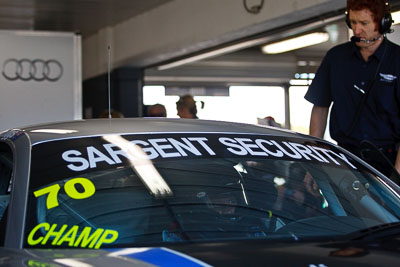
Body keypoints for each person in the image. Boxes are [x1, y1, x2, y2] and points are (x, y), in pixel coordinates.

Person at [304, 0, 400, 180]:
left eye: (364, 23)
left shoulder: (397, 60)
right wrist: (313, 160)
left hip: (388, 161)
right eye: (353, 22)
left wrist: (397, 177)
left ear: (383, 23)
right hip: (345, 159)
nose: (356, 30)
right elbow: (320, 106)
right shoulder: (336, 58)